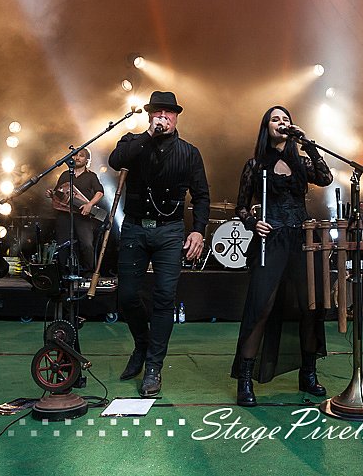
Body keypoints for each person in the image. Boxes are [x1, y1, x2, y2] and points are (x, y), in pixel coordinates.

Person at [108, 91, 210, 397]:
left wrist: (198, 231)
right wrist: (148, 135)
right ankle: (142, 344)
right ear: (150, 116)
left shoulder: (189, 152)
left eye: (169, 112)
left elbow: (201, 196)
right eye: (157, 112)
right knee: (127, 295)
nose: (163, 117)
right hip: (135, 228)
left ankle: (153, 367)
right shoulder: (132, 143)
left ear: (176, 117)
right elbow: (116, 161)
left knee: (165, 297)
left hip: (170, 231)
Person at [230, 106, 333, 406]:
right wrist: (253, 222)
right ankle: (245, 379)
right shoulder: (255, 164)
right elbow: (240, 206)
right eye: (275, 119)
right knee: (261, 306)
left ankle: (308, 374)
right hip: (271, 240)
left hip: (302, 239)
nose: (282, 122)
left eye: (286, 119)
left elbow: (325, 177)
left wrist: (307, 143)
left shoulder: (301, 161)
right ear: (266, 127)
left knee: (310, 307)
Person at [46, 148, 104, 273]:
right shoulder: (65, 175)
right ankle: (62, 273)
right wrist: (51, 194)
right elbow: (59, 193)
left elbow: (99, 192)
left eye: (81, 156)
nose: (77, 158)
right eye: (75, 155)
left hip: (82, 214)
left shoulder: (91, 176)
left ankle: (88, 273)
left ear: (87, 160)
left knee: (86, 244)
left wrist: (89, 205)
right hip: (64, 214)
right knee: (62, 244)